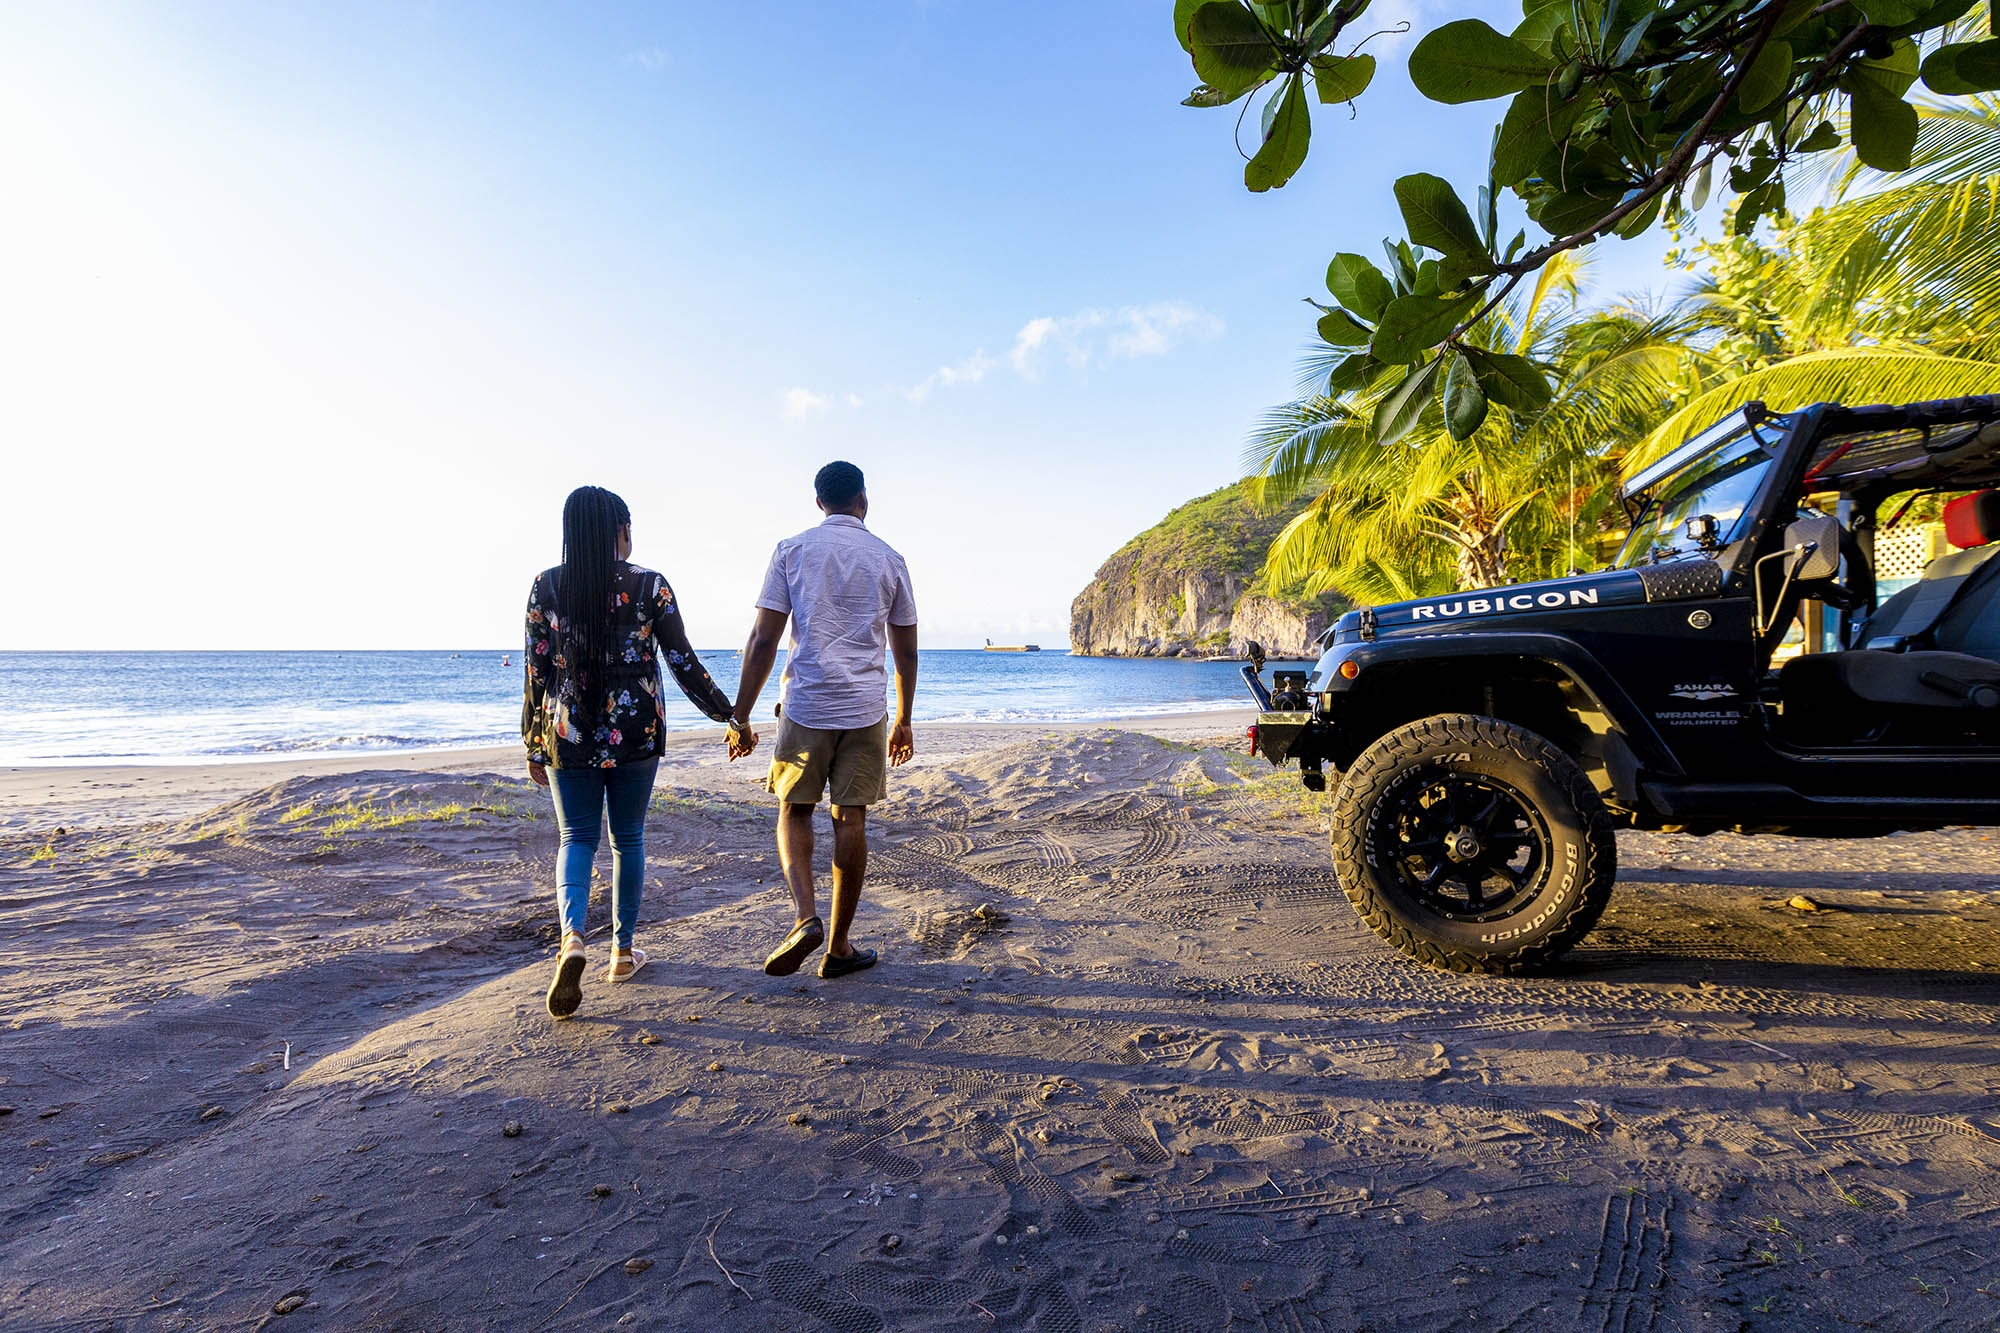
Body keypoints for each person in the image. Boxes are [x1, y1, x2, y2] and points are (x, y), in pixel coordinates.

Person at [523, 485, 736, 1019]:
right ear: (620, 530)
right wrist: (727, 712)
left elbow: (536, 671)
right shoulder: (649, 586)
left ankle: (572, 939)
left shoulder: (545, 587)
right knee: (628, 839)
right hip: (636, 730)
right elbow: (683, 661)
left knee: (575, 837)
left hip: (566, 730)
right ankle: (621, 953)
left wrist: (532, 738)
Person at [725, 461, 918, 979]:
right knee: (850, 818)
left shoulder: (792, 550)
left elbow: (765, 639)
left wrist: (739, 716)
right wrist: (904, 719)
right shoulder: (890, 559)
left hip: (807, 704)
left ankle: (805, 917)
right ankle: (838, 947)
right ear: (864, 500)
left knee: (794, 810)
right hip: (864, 709)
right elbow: (906, 652)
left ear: (818, 503)